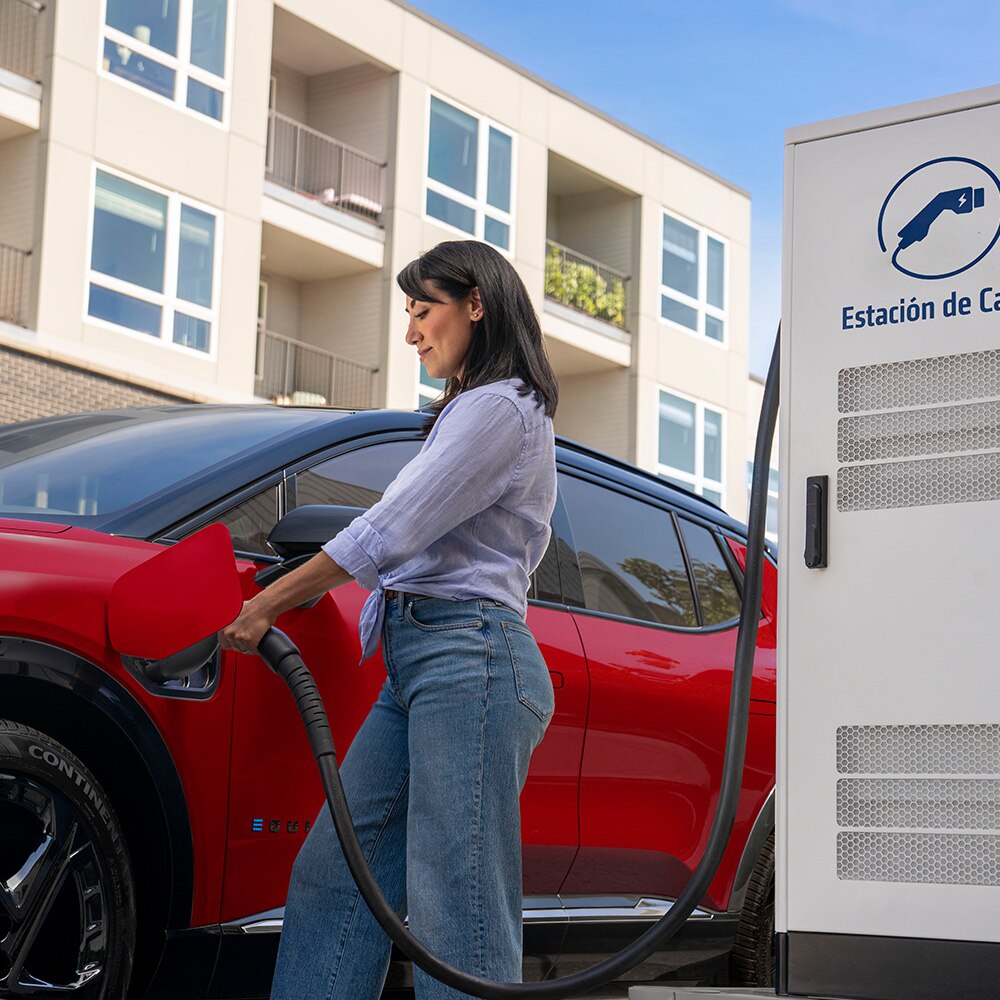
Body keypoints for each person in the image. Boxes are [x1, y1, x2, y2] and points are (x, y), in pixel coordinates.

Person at [219, 240, 560, 1000]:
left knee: (456, 908)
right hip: (422, 665)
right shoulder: (471, 412)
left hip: (468, 661)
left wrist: (271, 599)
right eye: (408, 313)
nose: (411, 333)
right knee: (337, 879)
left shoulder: (501, 408)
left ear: (477, 303)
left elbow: (390, 529)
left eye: (423, 309)